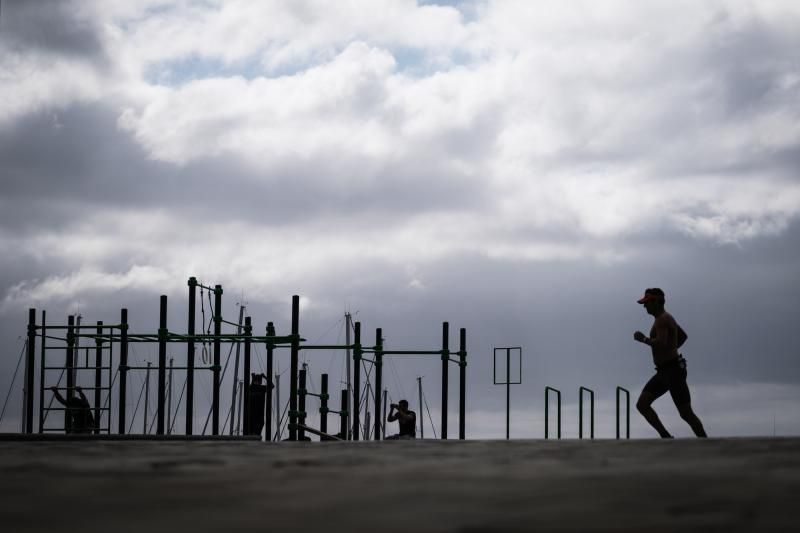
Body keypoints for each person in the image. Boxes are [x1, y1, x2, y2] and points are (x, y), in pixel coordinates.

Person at [633, 288, 707, 438]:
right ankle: (665, 436)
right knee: (642, 404)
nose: (644, 306)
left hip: (673, 371)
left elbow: (661, 342)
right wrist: (672, 349)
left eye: (647, 303)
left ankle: (706, 442)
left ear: (657, 302)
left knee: (686, 413)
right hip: (663, 371)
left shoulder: (663, 319)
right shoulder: (665, 318)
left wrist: (644, 339)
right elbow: (683, 336)